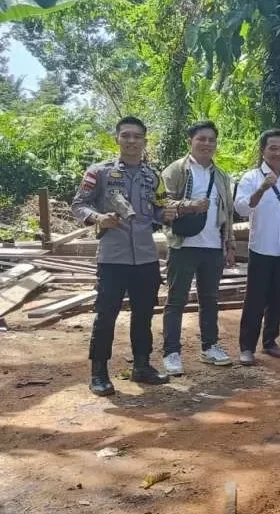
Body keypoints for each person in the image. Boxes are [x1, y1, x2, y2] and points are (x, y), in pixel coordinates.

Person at [71, 116, 177, 396]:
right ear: (117, 138)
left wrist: (164, 213)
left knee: (143, 315)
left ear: (144, 140)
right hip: (112, 257)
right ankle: (98, 373)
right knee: (106, 315)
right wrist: (98, 218)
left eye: (137, 136)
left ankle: (142, 365)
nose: (131, 141)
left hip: (145, 257)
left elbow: (157, 209)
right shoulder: (99, 172)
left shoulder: (151, 176)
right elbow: (78, 204)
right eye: (126, 135)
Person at [160, 121, 237, 376]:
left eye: (211, 140)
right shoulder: (176, 170)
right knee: (176, 300)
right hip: (183, 246)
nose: (206, 144)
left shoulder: (222, 176)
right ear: (190, 141)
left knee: (210, 299)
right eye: (201, 139)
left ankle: (210, 346)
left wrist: (229, 245)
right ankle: (171, 352)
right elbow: (161, 203)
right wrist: (189, 206)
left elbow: (227, 213)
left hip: (212, 246)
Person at [234, 129, 280, 365]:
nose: (277, 153)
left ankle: (270, 341)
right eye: (272, 148)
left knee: (278, 297)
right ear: (263, 150)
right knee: (255, 298)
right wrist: (263, 188)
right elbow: (242, 208)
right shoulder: (251, 178)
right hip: (261, 248)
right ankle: (247, 347)